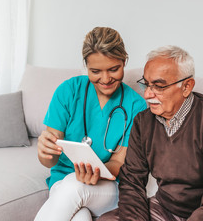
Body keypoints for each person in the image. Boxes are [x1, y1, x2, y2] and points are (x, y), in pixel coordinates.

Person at [98, 45, 203, 221]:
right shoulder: (143, 122)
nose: (148, 94)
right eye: (146, 84)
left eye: (158, 86)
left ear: (186, 87)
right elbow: (132, 183)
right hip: (167, 209)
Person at [34, 27, 146, 221]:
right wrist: (45, 151)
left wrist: (97, 172)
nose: (105, 79)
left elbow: (119, 163)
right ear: (85, 66)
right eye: (95, 71)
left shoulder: (136, 105)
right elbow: (50, 160)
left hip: (108, 187)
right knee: (81, 217)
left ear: (124, 61)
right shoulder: (69, 91)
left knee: (73, 187)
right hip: (61, 183)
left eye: (113, 69)